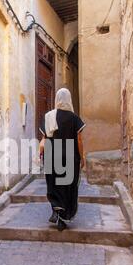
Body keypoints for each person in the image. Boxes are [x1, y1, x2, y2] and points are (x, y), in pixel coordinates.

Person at [39, 88, 85, 231]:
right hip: (70, 156)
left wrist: (41, 153)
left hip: (52, 155)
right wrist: (82, 156)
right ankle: (62, 217)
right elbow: (78, 140)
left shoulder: (49, 117)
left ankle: (56, 210)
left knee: (53, 183)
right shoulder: (74, 118)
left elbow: (44, 139)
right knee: (67, 185)